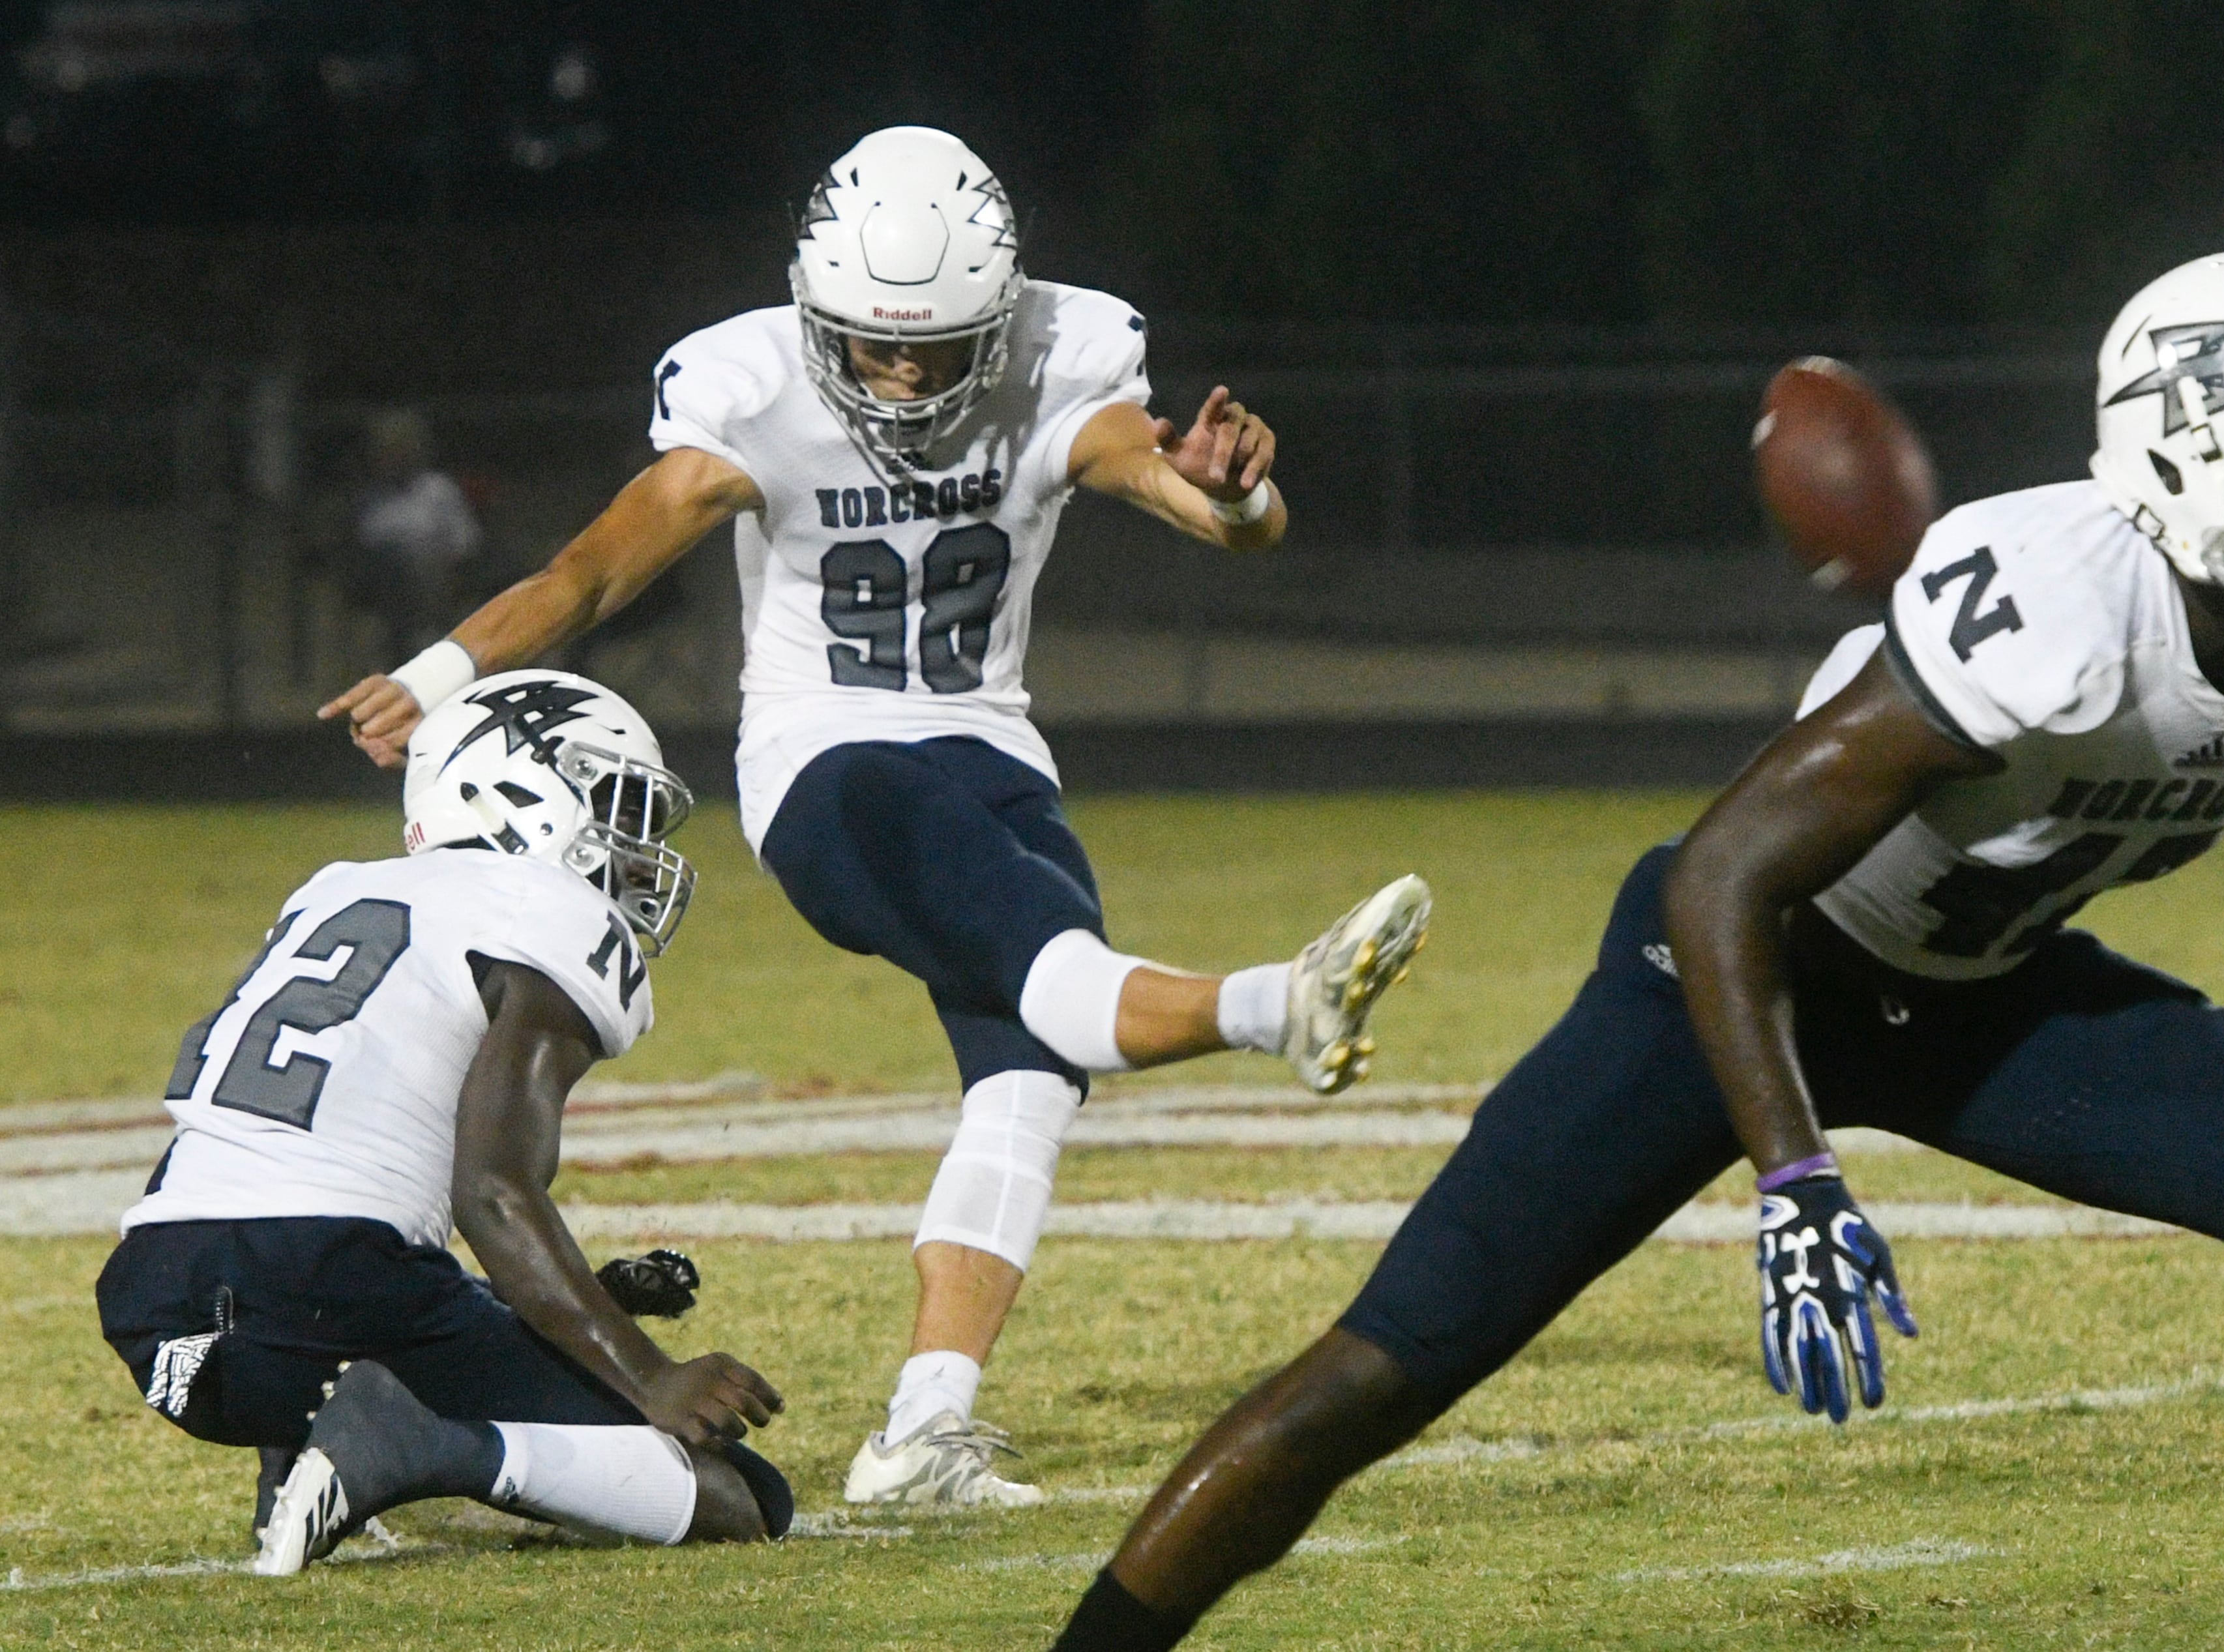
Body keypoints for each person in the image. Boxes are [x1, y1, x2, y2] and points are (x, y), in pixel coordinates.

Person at [1049, 249, 2224, 1652]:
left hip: (1976, 999)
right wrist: (1795, 1176)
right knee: (1387, 1366)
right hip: (1740, 972)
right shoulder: (2061, 601)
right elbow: (1723, 872)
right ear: (2190, 466)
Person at [316, 126, 1431, 1506]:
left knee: (1030, 1073)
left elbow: (1202, 507)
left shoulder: (1058, 365)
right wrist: (435, 675)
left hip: (994, 752)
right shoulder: (754, 390)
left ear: (1003, 311)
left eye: (936, 345)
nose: (902, 372)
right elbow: (591, 572)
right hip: (833, 764)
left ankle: (924, 1425)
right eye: (872, 342)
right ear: (812, 305)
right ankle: (1283, 1002)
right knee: (1061, 985)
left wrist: (1238, 485)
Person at [96, 669, 792, 1574]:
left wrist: (556, 1303)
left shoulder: (335, 890)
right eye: (616, 804)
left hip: (163, 1311)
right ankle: (430, 1446)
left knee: (378, 1277)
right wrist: (647, 1370)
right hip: (325, 1285)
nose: (633, 849)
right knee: (741, 1496)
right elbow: (492, 1189)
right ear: (516, 789)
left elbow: (295, 1179)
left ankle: (300, 1457)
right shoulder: (544, 909)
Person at [343, 409, 484, 668]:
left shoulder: (439, 490)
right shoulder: (370, 499)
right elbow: (360, 549)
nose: (393, 458)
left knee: (417, 566)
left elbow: (464, 546)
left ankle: (417, 638)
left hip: (435, 584)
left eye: (400, 449)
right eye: (387, 451)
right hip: (381, 591)